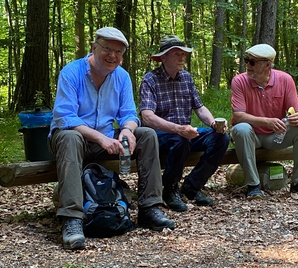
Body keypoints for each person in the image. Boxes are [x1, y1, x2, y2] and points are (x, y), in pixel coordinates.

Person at [49, 27, 175, 250]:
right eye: (107, 48)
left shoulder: (122, 76)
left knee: (146, 134)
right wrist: (100, 138)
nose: (113, 56)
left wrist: (127, 130)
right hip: (71, 139)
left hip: (105, 138)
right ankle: (72, 220)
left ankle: (149, 207)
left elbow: (129, 114)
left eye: (119, 52)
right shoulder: (71, 72)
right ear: (94, 47)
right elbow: (65, 117)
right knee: (70, 136)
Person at [139, 35, 230, 212]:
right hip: (159, 137)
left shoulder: (186, 78)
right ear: (163, 57)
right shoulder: (150, 80)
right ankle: (170, 188)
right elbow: (147, 117)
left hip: (185, 133)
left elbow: (200, 108)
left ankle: (192, 185)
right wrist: (177, 129)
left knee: (221, 138)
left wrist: (214, 123)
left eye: (183, 54)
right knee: (180, 140)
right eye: (176, 54)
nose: (182, 57)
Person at [230, 43, 298, 199]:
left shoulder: (285, 79)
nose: (248, 65)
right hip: (252, 136)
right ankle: (253, 185)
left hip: (275, 135)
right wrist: (267, 122)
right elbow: (238, 116)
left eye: (252, 62)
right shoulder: (239, 81)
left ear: (267, 65)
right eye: (247, 60)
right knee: (242, 128)